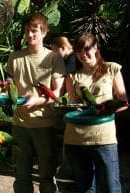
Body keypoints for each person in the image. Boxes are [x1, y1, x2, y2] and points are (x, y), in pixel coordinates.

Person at [6, 12, 66, 193]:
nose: (30, 35)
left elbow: (58, 93)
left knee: (47, 175)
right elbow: (9, 85)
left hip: (44, 123)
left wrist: (38, 101)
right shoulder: (15, 57)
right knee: (21, 176)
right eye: (27, 31)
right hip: (20, 124)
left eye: (34, 31)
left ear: (44, 32)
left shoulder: (53, 58)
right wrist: (4, 90)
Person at [64, 32, 128, 193]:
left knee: (111, 187)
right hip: (76, 138)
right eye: (78, 50)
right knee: (86, 188)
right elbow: (72, 105)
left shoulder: (111, 68)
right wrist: (72, 108)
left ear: (96, 48)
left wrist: (106, 108)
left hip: (103, 137)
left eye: (86, 49)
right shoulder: (72, 76)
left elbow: (123, 102)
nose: (83, 54)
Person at [51, 36, 78, 192]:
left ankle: (69, 173)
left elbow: (65, 74)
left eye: (55, 51)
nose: (54, 55)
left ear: (62, 48)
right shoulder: (69, 59)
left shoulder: (73, 59)